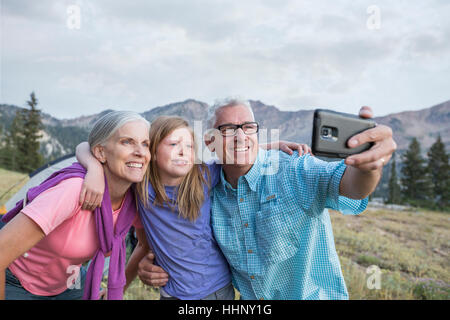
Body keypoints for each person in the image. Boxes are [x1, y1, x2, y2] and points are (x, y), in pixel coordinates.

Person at [139, 98, 397, 300]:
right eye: (228, 129)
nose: (241, 136)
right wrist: (149, 262)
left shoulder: (295, 170)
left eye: (248, 127)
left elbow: (350, 185)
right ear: (210, 142)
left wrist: (368, 166)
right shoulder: (206, 189)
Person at [76, 115, 311, 300]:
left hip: (215, 289)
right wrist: (94, 169)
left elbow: (234, 153)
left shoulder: (203, 175)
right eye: (173, 144)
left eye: (189, 146)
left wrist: (271, 146)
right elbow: (85, 147)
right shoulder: (141, 184)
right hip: (171, 291)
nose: (183, 151)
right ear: (153, 151)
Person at [0, 111, 152, 300]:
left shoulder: (133, 203)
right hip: (16, 281)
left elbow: (144, 244)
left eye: (145, 144)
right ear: (101, 152)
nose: (140, 152)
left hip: (69, 283)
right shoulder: (74, 190)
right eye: (127, 142)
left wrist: (120, 288)